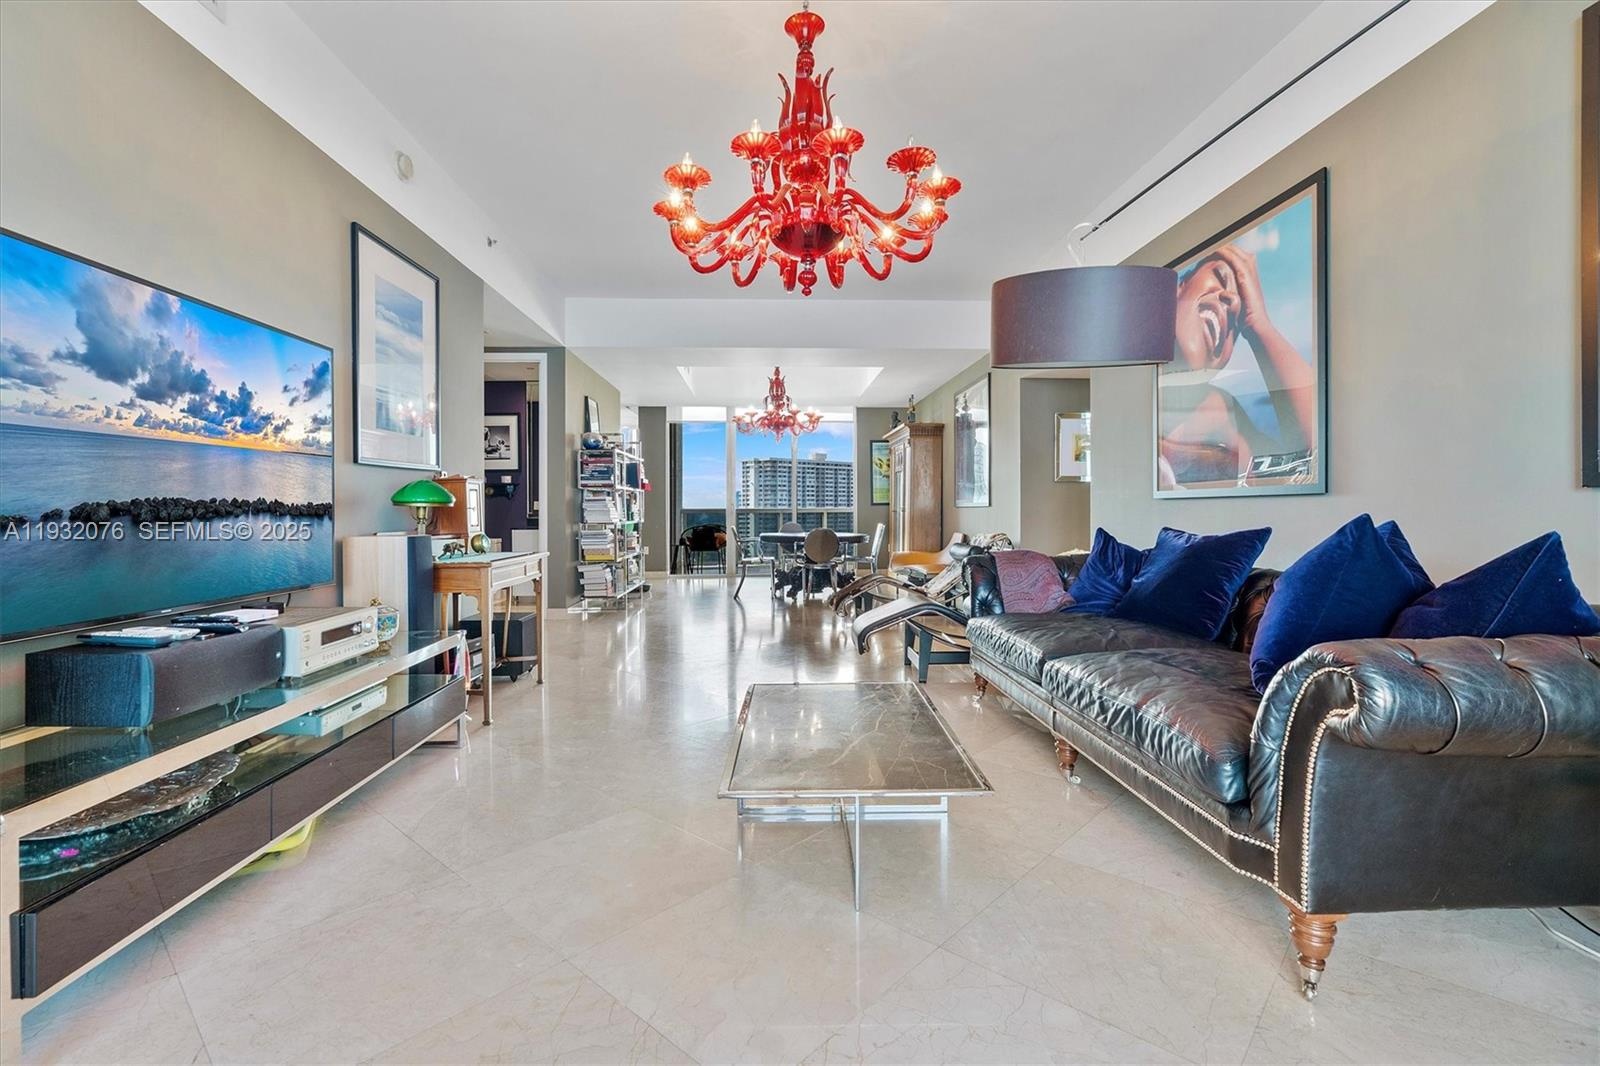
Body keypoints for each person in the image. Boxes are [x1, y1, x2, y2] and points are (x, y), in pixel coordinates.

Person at [1158, 243, 1316, 490]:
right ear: (1179, 288)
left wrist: (1258, 325)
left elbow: (1313, 463)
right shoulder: (1128, 399)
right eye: (1220, 277)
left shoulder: (1226, 415)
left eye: (1237, 325)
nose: (1233, 303)